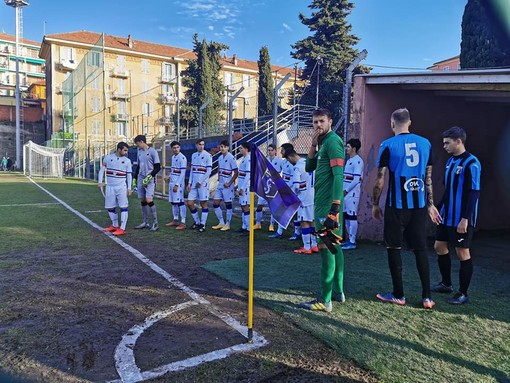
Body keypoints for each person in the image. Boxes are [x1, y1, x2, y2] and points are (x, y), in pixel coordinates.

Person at [372, 108, 441, 310]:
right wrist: (430, 204)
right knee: (420, 249)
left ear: (392, 124)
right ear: (409, 122)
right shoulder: (425, 144)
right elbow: (428, 178)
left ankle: (398, 295)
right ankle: (427, 297)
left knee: (394, 247)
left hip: (396, 206)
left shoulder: (388, 145)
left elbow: (379, 180)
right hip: (419, 206)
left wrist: (375, 204)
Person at [298, 108, 346, 312]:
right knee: (335, 248)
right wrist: (313, 145)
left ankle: (325, 301)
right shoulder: (323, 143)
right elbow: (309, 167)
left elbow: (339, 175)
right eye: (315, 122)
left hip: (327, 207)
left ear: (330, 122)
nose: (318, 125)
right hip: (323, 204)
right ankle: (338, 292)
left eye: (321, 121)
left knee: (326, 252)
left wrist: (334, 208)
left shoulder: (333, 141)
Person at [432, 126, 481, 305]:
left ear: (458, 141)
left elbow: (473, 193)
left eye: (447, 143)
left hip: (462, 218)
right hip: (446, 215)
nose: (444, 146)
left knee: (462, 252)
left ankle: (463, 293)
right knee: (439, 246)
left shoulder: (472, 163)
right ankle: (446, 284)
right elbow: (447, 190)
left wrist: (465, 219)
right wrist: (437, 208)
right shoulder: (450, 161)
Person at [284, 148, 318, 254]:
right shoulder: (308, 163)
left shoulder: (297, 167)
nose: (289, 162)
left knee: (304, 222)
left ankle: (307, 247)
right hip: (313, 196)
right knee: (311, 221)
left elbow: (296, 186)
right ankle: (314, 245)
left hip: (303, 198)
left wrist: (290, 195)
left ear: (290, 158)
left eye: (288, 160)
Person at [98, 142, 133, 236]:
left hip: (121, 187)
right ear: (119, 149)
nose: (126, 152)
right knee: (110, 207)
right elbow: (102, 170)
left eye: (127, 150)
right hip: (110, 186)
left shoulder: (127, 161)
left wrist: (129, 188)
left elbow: (129, 175)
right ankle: (115, 225)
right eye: (125, 150)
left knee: (123, 206)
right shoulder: (108, 158)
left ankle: (122, 228)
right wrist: (100, 181)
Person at [269, 143, 299, 239]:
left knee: (295, 212)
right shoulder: (284, 162)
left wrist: (286, 187)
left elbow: (294, 178)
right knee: (282, 209)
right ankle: (279, 231)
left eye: (282, 150)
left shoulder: (293, 163)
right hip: (284, 189)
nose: (280, 152)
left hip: (291, 190)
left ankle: (297, 232)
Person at [133, 135, 161, 232]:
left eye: (137, 144)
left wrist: (149, 177)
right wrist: (134, 178)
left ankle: (155, 223)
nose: (137, 146)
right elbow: (138, 167)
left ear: (141, 142)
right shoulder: (139, 152)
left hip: (149, 178)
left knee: (149, 200)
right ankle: (145, 222)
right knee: (143, 200)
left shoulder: (153, 151)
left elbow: (157, 167)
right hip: (141, 178)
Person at [341, 139, 364, 250]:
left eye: (348, 147)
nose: (346, 149)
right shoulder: (350, 160)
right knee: (346, 216)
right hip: (345, 193)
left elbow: (355, 180)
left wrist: (346, 190)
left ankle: (352, 241)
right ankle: (348, 240)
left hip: (352, 193)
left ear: (354, 148)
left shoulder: (358, 161)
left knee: (352, 216)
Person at [255, 143, 284, 231]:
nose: (270, 152)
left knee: (273, 206)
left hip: (274, 188)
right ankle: (258, 223)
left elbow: (283, 173)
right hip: (265, 186)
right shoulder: (265, 160)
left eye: (272, 150)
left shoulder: (280, 161)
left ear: (275, 151)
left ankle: (271, 225)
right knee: (259, 205)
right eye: (269, 150)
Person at [212, 140, 238, 231]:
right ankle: (221, 222)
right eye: (221, 146)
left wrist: (230, 183)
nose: (222, 148)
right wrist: (219, 178)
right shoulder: (220, 157)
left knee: (228, 204)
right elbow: (219, 168)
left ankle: (228, 224)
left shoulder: (231, 158)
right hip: (220, 184)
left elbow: (236, 172)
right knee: (215, 203)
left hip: (227, 185)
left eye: (224, 147)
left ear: (228, 148)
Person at [187, 138, 212, 232]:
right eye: (200, 144)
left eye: (203, 144)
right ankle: (197, 222)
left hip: (203, 184)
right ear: (196, 145)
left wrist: (200, 181)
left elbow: (208, 171)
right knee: (189, 203)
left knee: (203, 203)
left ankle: (203, 224)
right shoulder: (194, 155)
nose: (201, 146)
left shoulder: (208, 155)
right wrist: (189, 183)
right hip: (194, 183)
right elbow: (192, 170)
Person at [164, 141, 187, 230]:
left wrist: (177, 184)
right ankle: (175, 220)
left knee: (180, 202)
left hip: (179, 183)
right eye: (174, 148)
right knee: (173, 202)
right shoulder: (173, 157)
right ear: (172, 149)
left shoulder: (182, 158)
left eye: (177, 147)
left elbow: (182, 173)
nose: (176, 149)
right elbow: (173, 170)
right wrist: (168, 177)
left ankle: (183, 222)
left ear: (180, 148)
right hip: (172, 182)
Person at [235, 142, 251, 236]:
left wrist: (242, 188)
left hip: (245, 187)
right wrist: (237, 185)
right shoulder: (244, 159)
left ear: (246, 149)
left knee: (245, 206)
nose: (239, 149)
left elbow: (248, 175)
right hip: (241, 185)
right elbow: (242, 175)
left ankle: (248, 229)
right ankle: (244, 226)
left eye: (241, 148)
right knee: (243, 206)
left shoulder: (248, 159)